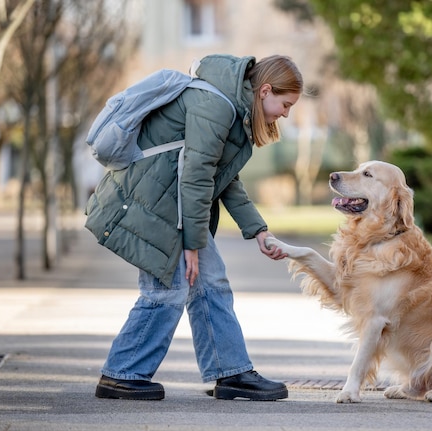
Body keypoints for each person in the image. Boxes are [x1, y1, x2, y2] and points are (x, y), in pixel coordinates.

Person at [90, 54, 303, 401]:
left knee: (211, 282)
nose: (285, 113)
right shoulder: (216, 106)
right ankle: (122, 374)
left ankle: (230, 371)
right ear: (265, 90)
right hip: (152, 203)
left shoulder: (232, 109)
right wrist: (191, 244)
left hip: (170, 202)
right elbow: (196, 177)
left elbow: (224, 179)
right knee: (168, 288)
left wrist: (259, 230)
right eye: (285, 104)